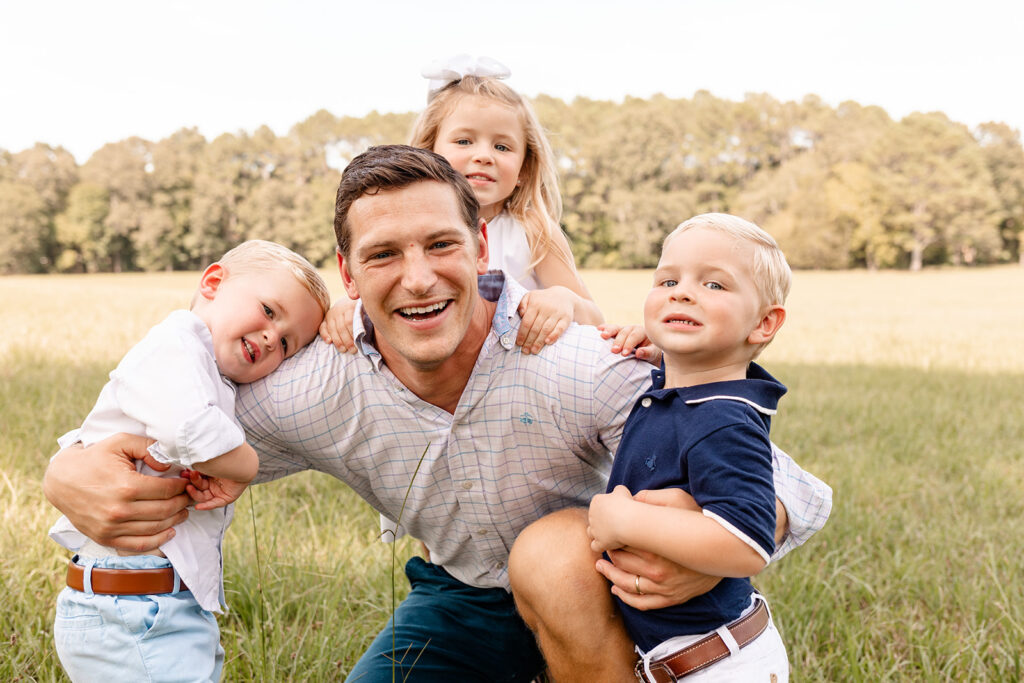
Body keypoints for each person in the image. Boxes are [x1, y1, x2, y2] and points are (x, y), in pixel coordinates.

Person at [43, 146, 832, 682]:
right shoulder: (318, 385)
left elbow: (795, 486)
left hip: (599, 594)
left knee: (554, 549)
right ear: (348, 273)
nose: (417, 279)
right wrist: (68, 466)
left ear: (483, 246)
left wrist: (719, 545)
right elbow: (175, 433)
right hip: (462, 596)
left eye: (440, 245)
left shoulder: (577, 361)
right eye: (384, 255)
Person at [49, 240, 329, 682]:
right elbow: (188, 430)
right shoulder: (174, 344)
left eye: (288, 345)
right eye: (270, 312)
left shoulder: (209, 369)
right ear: (213, 282)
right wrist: (244, 468)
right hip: (131, 608)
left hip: (157, 602)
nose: (272, 337)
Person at [586, 213, 794, 681]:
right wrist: (657, 346)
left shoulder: (723, 418)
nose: (681, 291)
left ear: (763, 323)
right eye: (668, 280)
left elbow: (748, 543)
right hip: (685, 655)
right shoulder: (684, 396)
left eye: (715, 285)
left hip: (720, 663)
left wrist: (627, 519)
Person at [320, 55, 603, 358]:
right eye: (465, 141)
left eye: (502, 147)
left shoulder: (533, 231)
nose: (484, 155)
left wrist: (564, 300)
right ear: (428, 154)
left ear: (523, 168)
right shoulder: (400, 231)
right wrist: (349, 307)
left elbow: (595, 319)